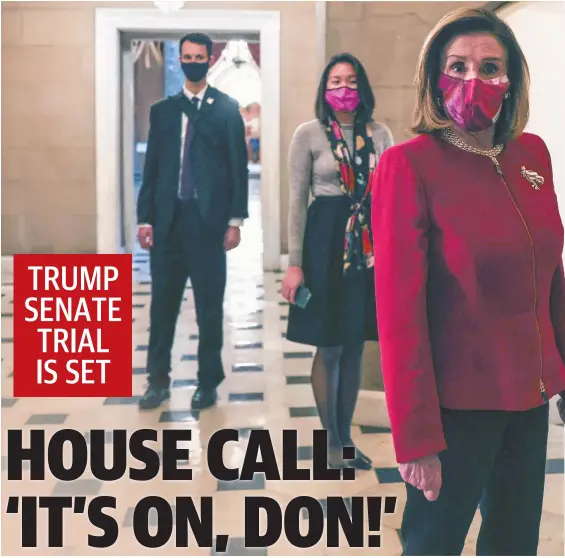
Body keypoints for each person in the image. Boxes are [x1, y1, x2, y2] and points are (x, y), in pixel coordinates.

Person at [370, 7, 565, 555]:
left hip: (528, 400)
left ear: (512, 80)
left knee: (513, 545)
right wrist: (415, 440)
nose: (471, 81)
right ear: (433, 78)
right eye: (456, 66)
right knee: (433, 545)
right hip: (455, 410)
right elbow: (398, 312)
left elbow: (548, 270)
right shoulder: (409, 166)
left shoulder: (532, 155)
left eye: (489, 67)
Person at [282, 53, 393, 469]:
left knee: (353, 345)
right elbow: (296, 201)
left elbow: (392, 196)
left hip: (368, 245)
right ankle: (330, 442)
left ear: (361, 88)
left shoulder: (379, 133)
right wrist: (295, 264)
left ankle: (346, 439)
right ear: (323, 90)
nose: (342, 89)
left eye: (350, 82)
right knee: (328, 345)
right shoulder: (308, 134)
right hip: (323, 243)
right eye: (334, 82)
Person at [136, 32, 248, 411]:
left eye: (200, 56)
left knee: (209, 310)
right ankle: (157, 381)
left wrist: (235, 221)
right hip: (168, 224)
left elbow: (238, 169)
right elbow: (152, 169)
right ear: (181, 59)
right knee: (162, 308)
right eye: (187, 56)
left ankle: (208, 382)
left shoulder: (227, 109)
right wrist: (144, 218)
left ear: (209, 58)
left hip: (208, 226)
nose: (193, 61)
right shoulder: (163, 111)